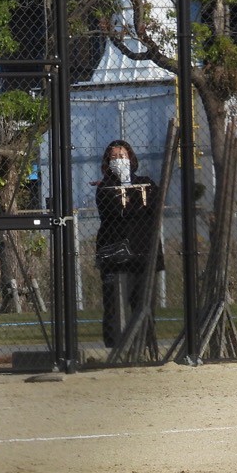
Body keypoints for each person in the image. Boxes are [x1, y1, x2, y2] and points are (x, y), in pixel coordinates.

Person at [95, 139, 161, 348]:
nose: (118, 160)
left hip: (144, 251)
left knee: (143, 303)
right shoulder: (104, 187)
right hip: (116, 253)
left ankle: (145, 345)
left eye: (122, 156)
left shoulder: (146, 182)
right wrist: (128, 197)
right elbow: (113, 213)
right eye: (114, 157)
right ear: (107, 162)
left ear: (131, 158)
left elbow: (153, 208)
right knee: (114, 303)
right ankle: (115, 347)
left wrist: (129, 197)